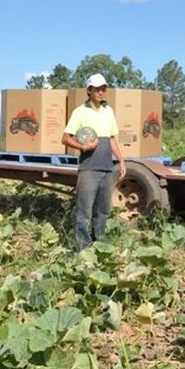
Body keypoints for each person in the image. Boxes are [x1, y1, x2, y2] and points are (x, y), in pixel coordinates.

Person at [62, 73, 126, 250]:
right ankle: (82, 249)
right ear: (89, 90)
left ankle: (99, 246)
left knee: (103, 211)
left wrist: (121, 161)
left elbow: (112, 139)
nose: (101, 92)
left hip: (106, 168)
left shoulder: (109, 111)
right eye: (97, 88)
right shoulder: (80, 112)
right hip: (89, 169)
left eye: (103, 88)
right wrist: (82, 147)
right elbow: (65, 138)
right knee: (84, 212)